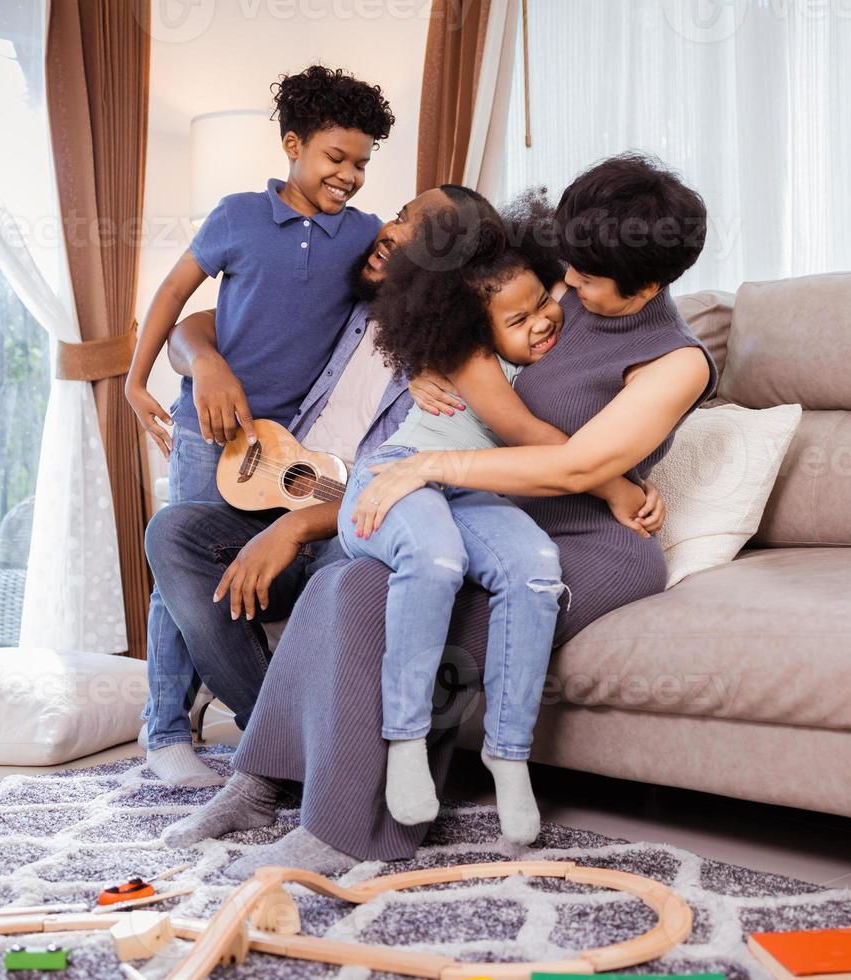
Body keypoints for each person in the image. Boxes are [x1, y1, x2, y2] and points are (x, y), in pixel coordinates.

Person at [159, 153, 718, 877]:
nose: (567, 284)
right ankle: (257, 783)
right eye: (568, 266)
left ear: (648, 284)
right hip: (492, 511)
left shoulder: (678, 362)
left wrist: (433, 465)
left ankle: (349, 833)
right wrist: (434, 360)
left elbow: (579, 466)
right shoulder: (563, 292)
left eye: (584, 276)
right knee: (342, 583)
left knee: (397, 619)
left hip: (591, 543)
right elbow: (469, 331)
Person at [341, 194, 662, 845]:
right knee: (435, 557)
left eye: (546, 301)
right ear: (472, 325)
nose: (544, 320)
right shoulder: (473, 357)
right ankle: (405, 740)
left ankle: (507, 754)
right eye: (518, 318)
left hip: (475, 491)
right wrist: (617, 488)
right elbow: (525, 432)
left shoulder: (540, 336)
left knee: (538, 569)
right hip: (403, 474)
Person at [123, 66, 393, 787]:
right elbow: (174, 295)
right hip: (206, 433)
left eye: (363, 163)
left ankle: (270, 721)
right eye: (336, 158)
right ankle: (166, 732)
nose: (350, 175)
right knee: (177, 570)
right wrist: (135, 376)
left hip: (287, 450)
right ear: (293, 145)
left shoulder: (365, 238)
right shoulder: (237, 216)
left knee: (255, 570)